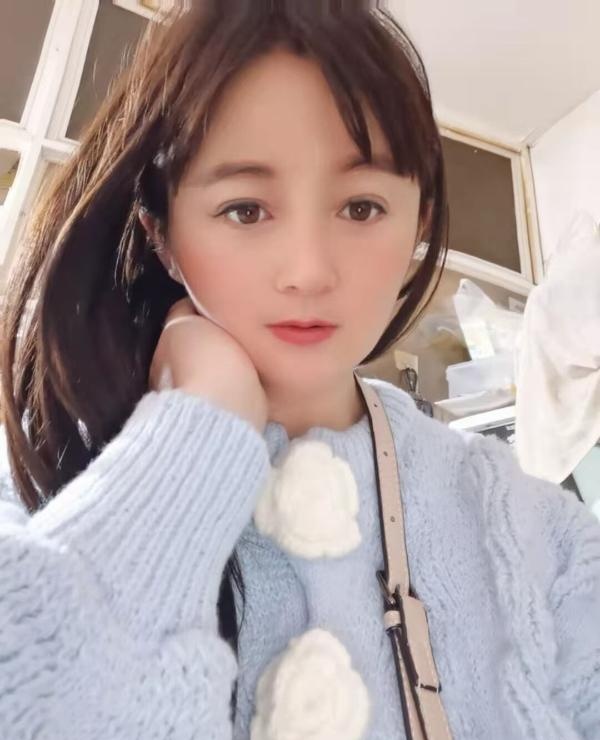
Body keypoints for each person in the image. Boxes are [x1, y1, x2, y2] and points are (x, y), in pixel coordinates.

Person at [0, 2, 598, 739]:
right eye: (246, 210)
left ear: (419, 218)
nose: (310, 271)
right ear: (161, 235)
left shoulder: (536, 530)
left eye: (362, 207)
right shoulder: (38, 474)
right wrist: (196, 433)